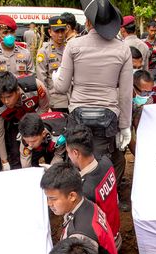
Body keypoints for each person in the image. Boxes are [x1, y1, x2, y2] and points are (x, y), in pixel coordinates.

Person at [53, 0, 133, 170]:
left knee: (78, 162)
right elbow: (125, 93)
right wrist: (125, 126)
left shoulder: (73, 45)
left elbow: (61, 87)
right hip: (108, 116)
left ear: (88, 22)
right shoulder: (123, 49)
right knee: (100, 164)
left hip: (78, 113)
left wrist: (55, 77)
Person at [40, 162, 123, 254]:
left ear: (72, 196)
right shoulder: (87, 204)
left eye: (53, 199)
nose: (49, 204)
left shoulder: (80, 236)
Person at [65, 124, 120, 248]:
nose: (68, 156)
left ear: (75, 153)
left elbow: (82, 226)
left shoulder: (85, 190)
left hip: (104, 244)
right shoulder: (106, 162)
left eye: (68, 152)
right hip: (114, 229)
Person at [0, 71, 49, 169]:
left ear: (17, 90)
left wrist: (31, 126)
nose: (6, 101)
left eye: (9, 97)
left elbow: (44, 108)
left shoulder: (35, 87)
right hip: (13, 121)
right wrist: (4, 161)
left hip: (35, 116)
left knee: (36, 148)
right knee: (14, 153)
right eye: (2, 97)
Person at [36, 16, 69, 113]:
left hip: (71, 99)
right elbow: (42, 80)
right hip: (54, 101)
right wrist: (46, 104)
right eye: (57, 32)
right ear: (50, 32)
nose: (60, 35)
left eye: (62, 31)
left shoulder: (70, 49)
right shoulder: (44, 52)